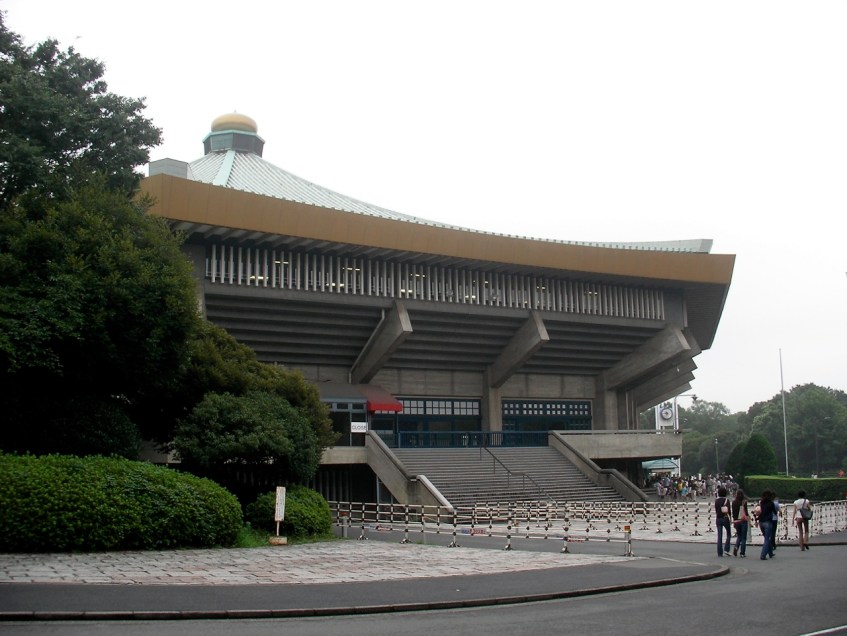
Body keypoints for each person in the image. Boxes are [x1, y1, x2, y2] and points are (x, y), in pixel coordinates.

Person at [757, 490, 777, 560]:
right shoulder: (771, 503)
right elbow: (775, 512)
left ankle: (770, 553)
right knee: (767, 539)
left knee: (766, 537)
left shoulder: (761, 502)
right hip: (768, 522)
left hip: (761, 522)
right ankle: (763, 555)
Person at [714, 486, 732, 557]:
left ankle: (719, 552)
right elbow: (729, 510)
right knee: (728, 534)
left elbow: (716, 510)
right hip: (725, 518)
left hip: (718, 518)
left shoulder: (716, 501)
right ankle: (726, 549)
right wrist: (730, 518)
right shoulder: (727, 500)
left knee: (719, 535)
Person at [731, 489, 750, 557]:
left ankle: (736, 547)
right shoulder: (744, 502)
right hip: (743, 521)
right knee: (744, 538)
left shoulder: (734, 502)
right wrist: (748, 518)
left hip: (736, 521)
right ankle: (742, 553)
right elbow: (746, 512)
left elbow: (733, 512)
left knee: (739, 536)